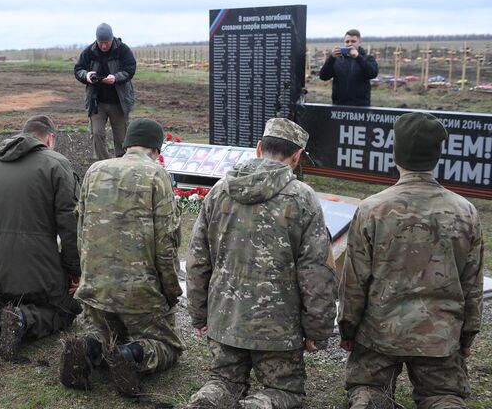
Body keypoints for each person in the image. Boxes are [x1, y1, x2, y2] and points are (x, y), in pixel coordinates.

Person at [186, 118, 336, 409]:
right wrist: (318, 329)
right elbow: (317, 272)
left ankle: (208, 399)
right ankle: (256, 405)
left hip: (225, 321)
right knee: (286, 391)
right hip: (280, 331)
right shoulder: (303, 198)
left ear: (258, 149)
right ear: (296, 156)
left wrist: (199, 315)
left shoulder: (219, 191)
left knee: (223, 381)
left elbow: (196, 260)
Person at [338, 112, 484, 409]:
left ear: (397, 153)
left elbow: (354, 281)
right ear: (437, 155)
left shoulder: (371, 209)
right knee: (443, 398)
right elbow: (472, 283)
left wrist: (348, 329)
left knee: (368, 392)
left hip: (379, 334)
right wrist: (466, 336)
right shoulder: (465, 211)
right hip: (440, 336)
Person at [59, 118, 184, 397]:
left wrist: (86, 275)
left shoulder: (95, 170)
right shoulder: (156, 175)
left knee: (103, 332)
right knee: (166, 345)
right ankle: (132, 356)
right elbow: (165, 243)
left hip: (97, 288)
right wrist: (171, 291)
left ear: (126, 144)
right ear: (156, 148)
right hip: (140, 293)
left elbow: (81, 229)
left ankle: (89, 347)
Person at [0, 115, 81, 361]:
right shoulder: (57, 164)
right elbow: (70, 227)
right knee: (67, 308)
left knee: (12, 295)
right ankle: (23, 319)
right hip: (40, 276)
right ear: (50, 138)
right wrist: (75, 271)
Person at [74, 23, 136, 160]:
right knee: (97, 134)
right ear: (96, 40)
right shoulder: (89, 52)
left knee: (122, 137)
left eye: (106, 43)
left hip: (119, 102)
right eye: (100, 42)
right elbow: (78, 69)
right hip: (97, 102)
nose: (103, 46)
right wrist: (87, 76)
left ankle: (121, 164)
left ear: (112, 39)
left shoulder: (123, 50)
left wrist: (115, 78)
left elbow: (130, 69)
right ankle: (104, 164)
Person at [319, 29, 379, 106]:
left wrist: (358, 57)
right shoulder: (337, 59)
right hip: (339, 105)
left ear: (360, 42)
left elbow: (372, 74)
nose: (350, 44)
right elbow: (323, 76)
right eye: (347, 41)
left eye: (353, 41)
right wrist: (331, 58)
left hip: (361, 105)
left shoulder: (367, 58)